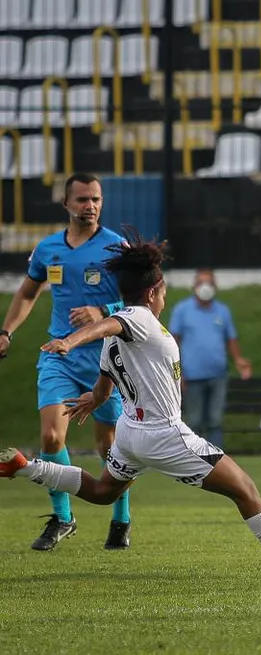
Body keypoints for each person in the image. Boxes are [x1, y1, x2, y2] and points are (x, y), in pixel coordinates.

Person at [0, 231, 261, 583]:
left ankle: (24, 467)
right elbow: (108, 324)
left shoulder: (122, 339)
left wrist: (93, 398)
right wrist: (70, 342)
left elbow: (104, 388)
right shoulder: (140, 319)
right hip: (164, 433)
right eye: (162, 292)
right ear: (151, 293)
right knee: (244, 488)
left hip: (132, 434)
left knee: (102, 492)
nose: (164, 298)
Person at [0, 173, 133, 551]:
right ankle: (62, 516)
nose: (89, 206)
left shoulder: (116, 247)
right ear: (66, 205)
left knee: (111, 447)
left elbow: (140, 302)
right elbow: (28, 293)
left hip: (107, 358)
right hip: (59, 354)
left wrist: (101, 310)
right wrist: (6, 331)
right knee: (51, 436)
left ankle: (120, 516)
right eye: (82, 200)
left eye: (95, 199)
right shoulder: (47, 250)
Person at [168, 268, 252, 448]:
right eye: (201, 283)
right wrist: (178, 372)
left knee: (215, 420)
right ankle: (195, 458)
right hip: (192, 375)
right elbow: (172, 342)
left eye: (209, 283)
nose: (205, 287)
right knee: (195, 421)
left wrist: (238, 360)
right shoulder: (182, 310)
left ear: (215, 286)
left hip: (218, 375)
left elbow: (231, 339)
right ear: (194, 286)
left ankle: (219, 460)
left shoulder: (222, 311)